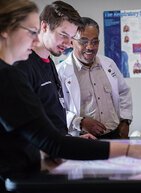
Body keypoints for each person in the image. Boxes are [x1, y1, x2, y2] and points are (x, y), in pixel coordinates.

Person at [0, 0, 141, 181]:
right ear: (6, 30)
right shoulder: (11, 74)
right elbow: (50, 141)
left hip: (40, 163)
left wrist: (67, 139)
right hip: (17, 175)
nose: (36, 40)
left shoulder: (47, 64)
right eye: (32, 32)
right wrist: (129, 150)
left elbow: (48, 122)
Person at [13, 1, 94, 139]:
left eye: (71, 38)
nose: (68, 44)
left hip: (56, 150)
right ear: (44, 26)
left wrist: (71, 141)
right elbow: (24, 129)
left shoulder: (49, 63)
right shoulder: (22, 65)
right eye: (63, 35)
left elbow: (51, 117)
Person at [57, 17, 133, 139]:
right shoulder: (60, 72)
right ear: (71, 41)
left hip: (115, 135)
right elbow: (55, 110)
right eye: (83, 41)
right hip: (83, 139)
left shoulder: (109, 64)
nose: (90, 47)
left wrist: (125, 121)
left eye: (95, 41)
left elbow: (124, 92)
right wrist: (79, 122)